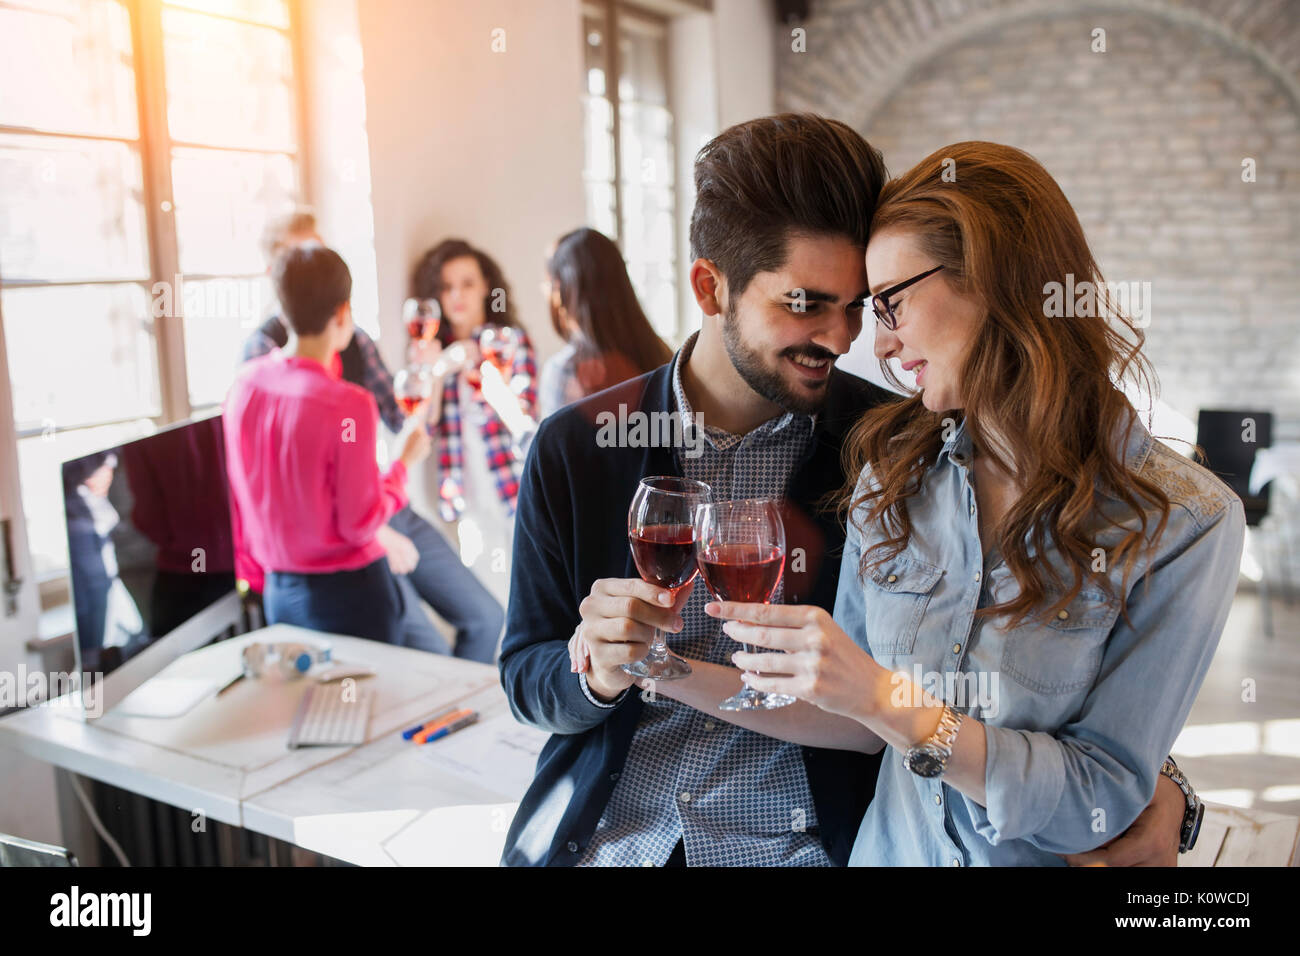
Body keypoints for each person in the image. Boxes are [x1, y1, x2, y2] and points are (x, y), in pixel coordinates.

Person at [503, 114, 1188, 866]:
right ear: (710, 285)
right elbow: (525, 676)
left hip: (798, 842)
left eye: (858, 304)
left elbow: (996, 658)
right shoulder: (577, 447)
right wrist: (593, 675)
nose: (840, 337)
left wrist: (1163, 784)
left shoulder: (896, 443)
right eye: (805, 304)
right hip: (608, 836)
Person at [674, 141, 1245, 865]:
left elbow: (1099, 800)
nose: (876, 343)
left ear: (994, 275)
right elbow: (848, 710)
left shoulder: (1186, 522)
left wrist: (893, 703)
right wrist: (660, 669)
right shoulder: (891, 474)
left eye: (890, 304)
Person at [240, 211, 505, 663]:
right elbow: (350, 517)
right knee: (425, 666)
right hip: (353, 554)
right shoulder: (340, 401)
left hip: (340, 542)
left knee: (484, 619)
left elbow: (410, 418)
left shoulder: (245, 385)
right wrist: (399, 466)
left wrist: (429, 371)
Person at [224, 244, 431, 644]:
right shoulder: (348, 404)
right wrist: (403, 463)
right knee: (370, 706)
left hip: (279, 594)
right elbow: (359, 523)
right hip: (349, 598)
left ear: (283, 311)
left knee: (312, 707)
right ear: (343, 313)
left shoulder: (244, 385)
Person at [409, 239, 537, 593]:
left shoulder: (508, 343)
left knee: (523, 592)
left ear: (485, 287)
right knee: (488, 599)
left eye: (467, 284)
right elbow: (422, 427)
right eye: (446, 287)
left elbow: (526, 416)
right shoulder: (437, 353)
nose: (456, 296)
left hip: (513, 488)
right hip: (466, 499)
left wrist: (484, 369)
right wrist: (437, 370)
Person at [537, 227, 673, 419]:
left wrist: (514, 418)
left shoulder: (564, 372)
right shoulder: (663, 354)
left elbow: (547, 448)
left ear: (560, 290)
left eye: (548, 282)